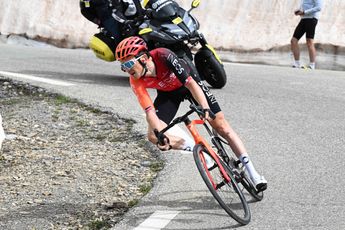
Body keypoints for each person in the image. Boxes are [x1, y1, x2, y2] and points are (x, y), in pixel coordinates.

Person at [115, 36, 268, 191]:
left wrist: (205, 107)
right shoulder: (135, 81)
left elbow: (191, 84)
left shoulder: (163, 55)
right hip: (168, 94)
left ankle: (253, 174)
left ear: (144, 58)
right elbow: (150, 112)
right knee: (153, 136)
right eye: (122, 66)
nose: (126, 69)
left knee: (222, 126)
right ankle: (202, 152)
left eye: (128, 63)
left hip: (189, 83)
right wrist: (161, 137)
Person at [291, 0, 323, 69]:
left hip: (312, 19)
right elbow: (305, 5)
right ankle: (297, 63)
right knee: (293, 40)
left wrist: (304, 12)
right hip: (304, 19)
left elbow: (319, 7)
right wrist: (299, 11)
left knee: (309, 41)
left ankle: (312, 65)